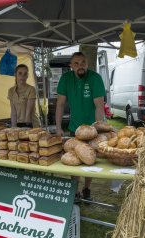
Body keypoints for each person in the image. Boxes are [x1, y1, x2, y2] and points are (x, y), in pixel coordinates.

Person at [55, 52, 105, 200]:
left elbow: (99, 107)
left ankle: (87, 188)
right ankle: (75, 191)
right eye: (76, 63)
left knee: (90, 159)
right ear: (71, 66)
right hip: (74, 128)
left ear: (87, 63)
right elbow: (60, 104)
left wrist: (96, 128)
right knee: (74, 159)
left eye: (83, 62)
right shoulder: (65, 79)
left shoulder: (95, 78)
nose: (80, 66)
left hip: (91, 128)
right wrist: (58, 127)